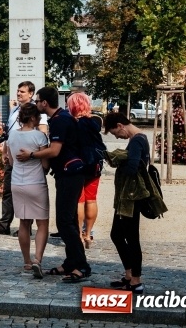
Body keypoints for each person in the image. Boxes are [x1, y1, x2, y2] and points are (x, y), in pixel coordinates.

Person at [17, 86, 90, 283]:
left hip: (71, 174)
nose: (35, 104)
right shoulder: (59, 118)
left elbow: (55, 151)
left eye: (37, 100)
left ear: (44, 103)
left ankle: (81, 266)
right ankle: (71, 262)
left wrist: (31, 155)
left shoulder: (60, 120)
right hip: (67, 174)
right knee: (70, 221)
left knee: (65, 222)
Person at [103, 112, 158, 294]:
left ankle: (136, 280)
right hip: (128, 197)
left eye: (115, 133)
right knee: (117, 235)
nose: (117, 136)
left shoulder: (136, 141)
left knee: (131, 238)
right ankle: (129, 275)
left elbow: (133, 167)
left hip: (132, 198)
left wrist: (117, 160)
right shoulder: (139, 139)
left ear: (120, 125)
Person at [0, 81, 47, 236]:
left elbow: (42, 133)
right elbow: (9, 133)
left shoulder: (37, 111)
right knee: (8, 191)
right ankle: (4, 224)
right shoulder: (15, 110)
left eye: (22, 91)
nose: (19, 94)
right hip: (13, 156)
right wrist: (5, 152)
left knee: (28, 191)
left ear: (31, 94)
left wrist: (36, 154)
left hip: (30, 158)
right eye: (18, 91)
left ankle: (26, 225)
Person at [5, 102, 50, 278]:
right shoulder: (40, 137)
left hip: (17, 182)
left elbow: (10, 162)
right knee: (42, 223)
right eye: (38, 116)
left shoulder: (12, 136)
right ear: (32, 118)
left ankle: (26, 261)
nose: (39, 118)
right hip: (36, 182)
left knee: (24, 223)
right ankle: (38, 259)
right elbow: (45, 163)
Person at [67, 92, 106, 249]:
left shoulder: (73, 123)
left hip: (79, 166)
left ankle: (78, 236)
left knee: (79, 201)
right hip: (95, 165)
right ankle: (88, 234)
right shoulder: (94, 122)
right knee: (91, 199)